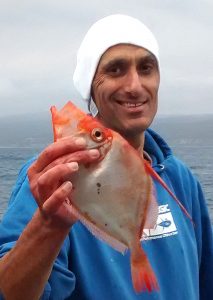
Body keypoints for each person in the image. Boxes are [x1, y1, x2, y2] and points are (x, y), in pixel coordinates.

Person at [0, 14, 212, 300]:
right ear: (91, 87)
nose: (135, 85)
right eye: (115, 70)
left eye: (146, 68)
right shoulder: (53, 177)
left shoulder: (179, 178)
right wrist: (49, 226)